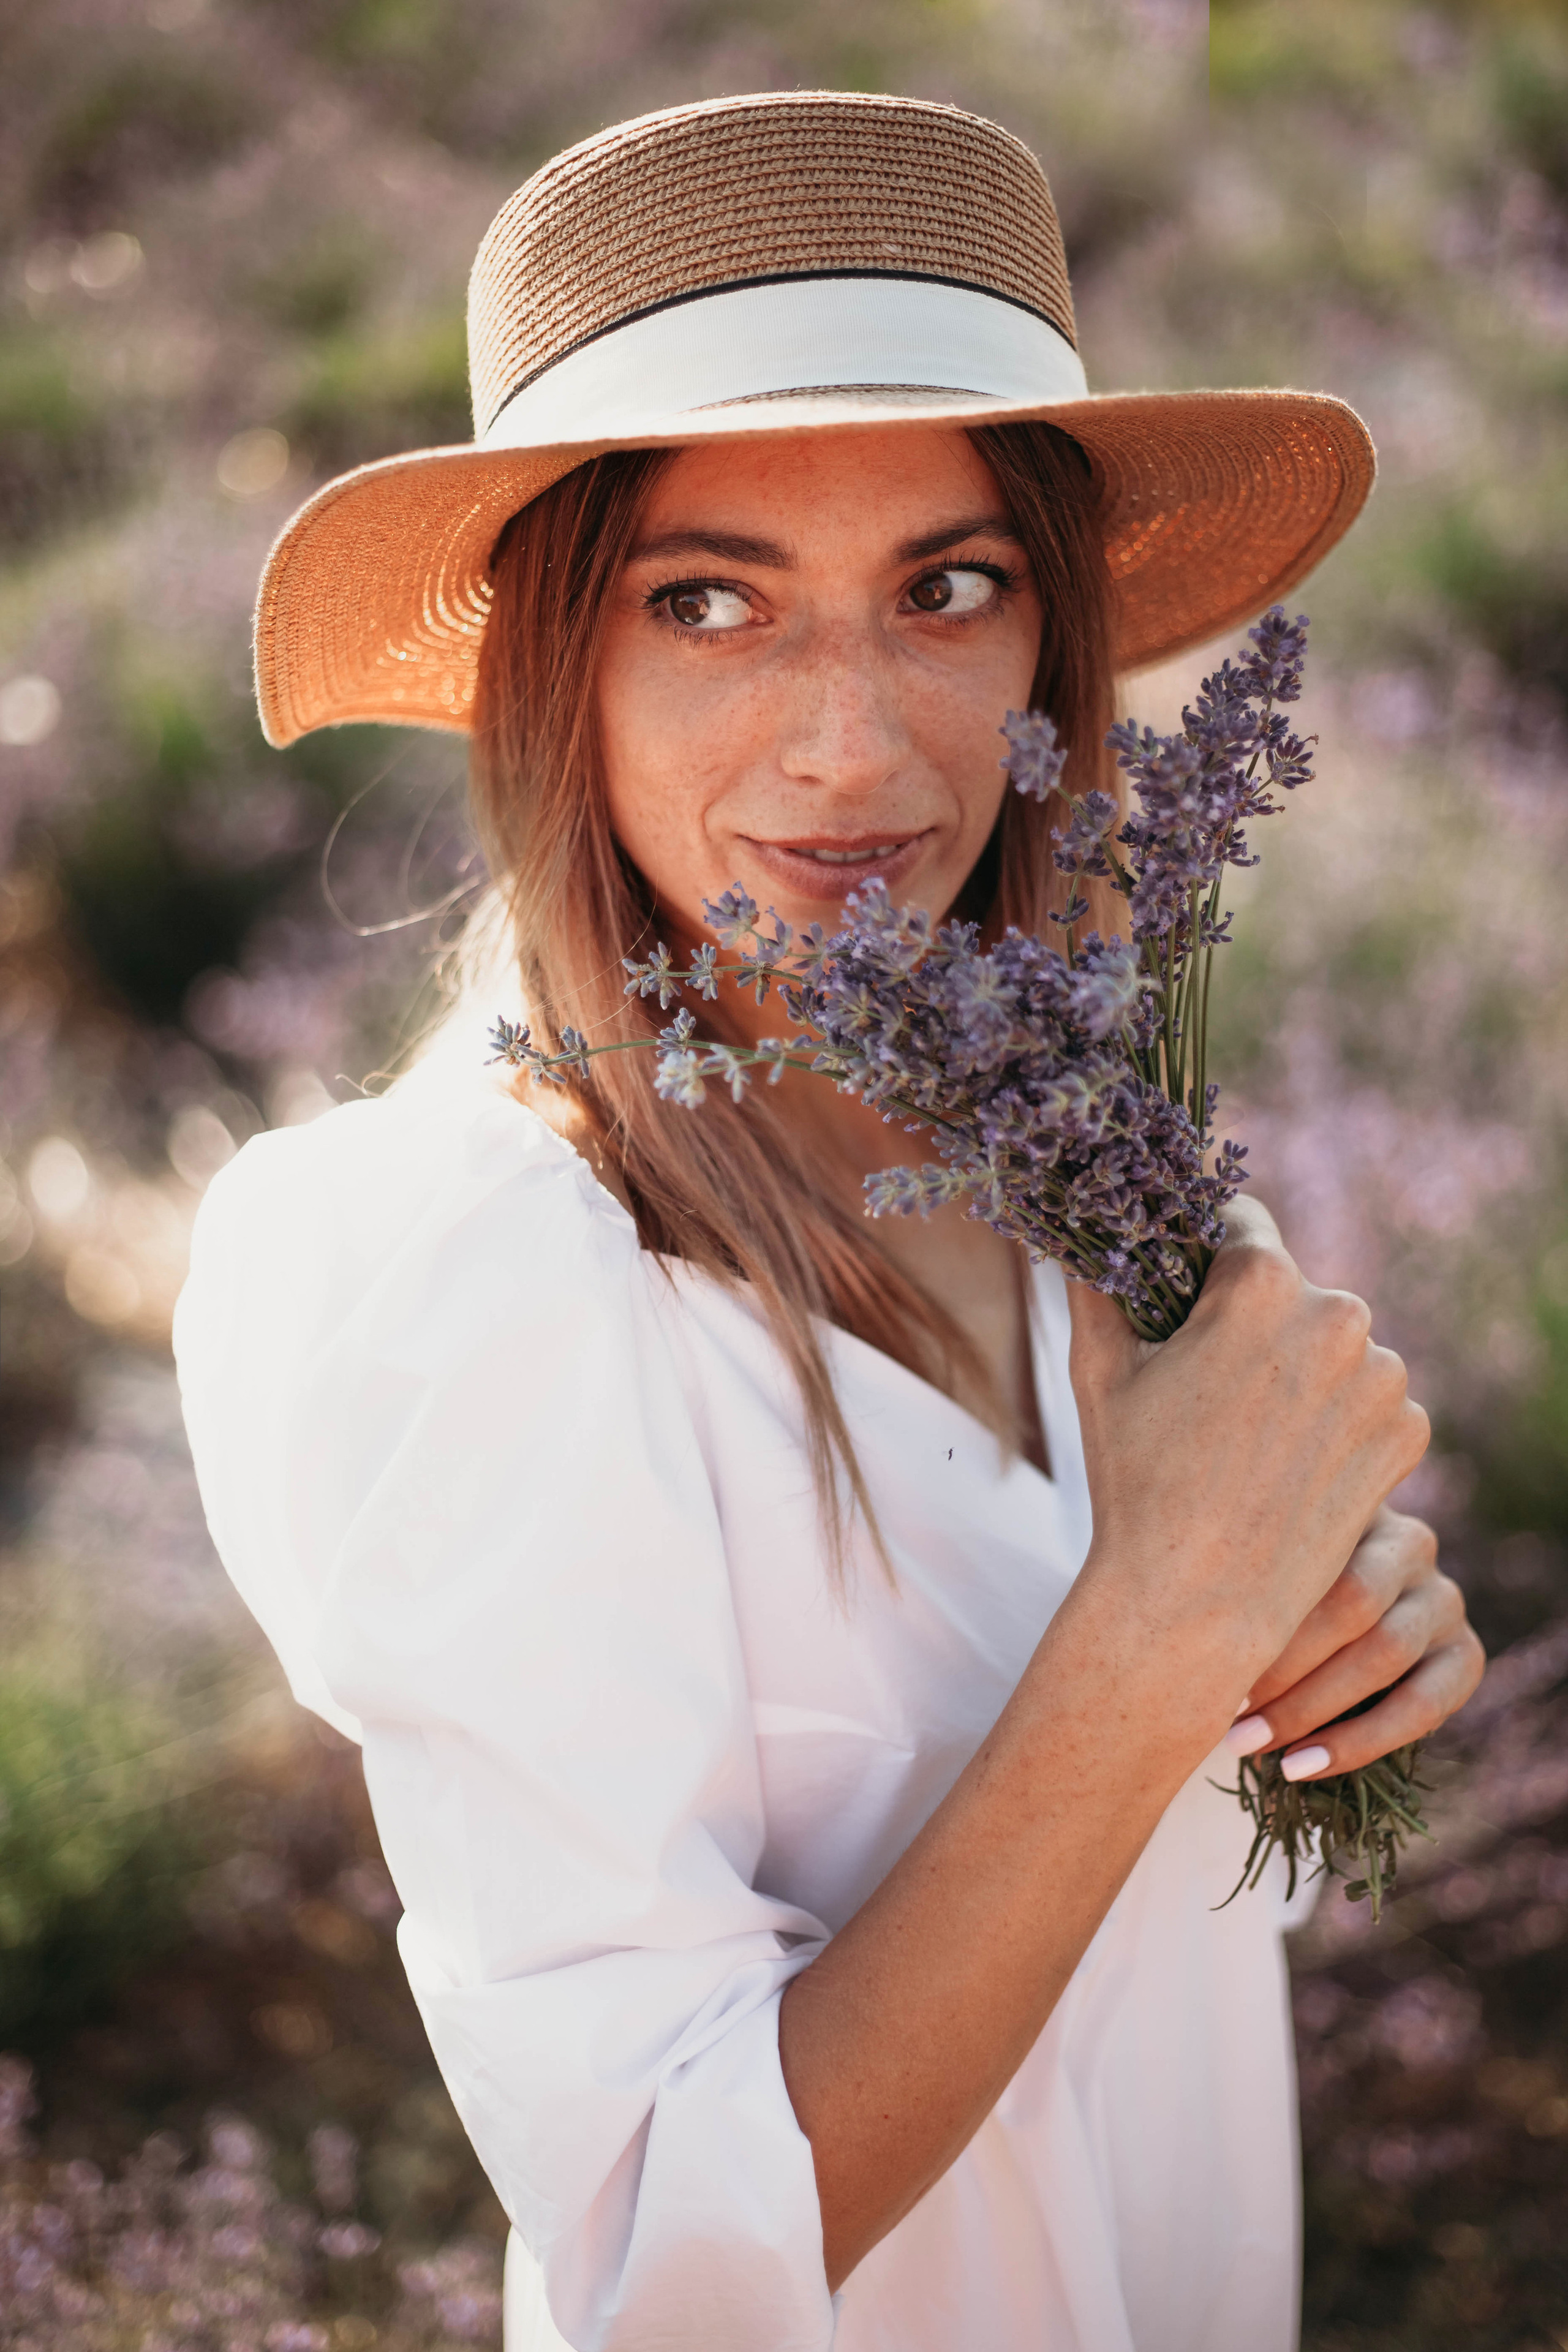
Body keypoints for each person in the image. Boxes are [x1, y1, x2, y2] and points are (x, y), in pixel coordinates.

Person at [176, 92, 1485, 2352]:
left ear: (1050, 631)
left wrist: (1336, 1631)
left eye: (947, 587)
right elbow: (670, 2259)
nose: (856, 750)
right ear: (548, 660)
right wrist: (1163, 1621)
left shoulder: (1094, 1151)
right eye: (712, 602)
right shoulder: (468, 1275)